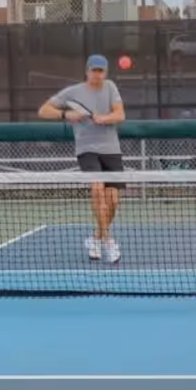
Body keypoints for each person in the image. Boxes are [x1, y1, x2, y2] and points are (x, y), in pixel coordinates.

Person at [38, 54, 126, 263]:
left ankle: (96, 238)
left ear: (105, 72)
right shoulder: (72, 93)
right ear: (87, 71)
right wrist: (66, 115)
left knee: (113, 201)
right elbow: (43, 111)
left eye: (101, 71)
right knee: (97, 191)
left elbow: (120, 115)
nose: (97, 74)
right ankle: (108, 242)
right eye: (94, 70)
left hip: (111, 150)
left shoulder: (111, 88)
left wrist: (103, 118)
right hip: (87, 149)